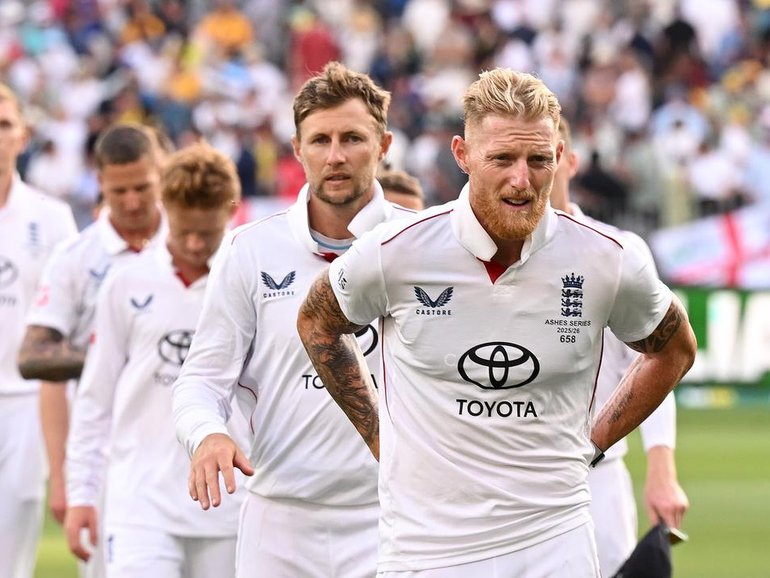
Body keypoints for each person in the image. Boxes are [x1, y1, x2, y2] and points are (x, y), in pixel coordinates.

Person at [297, 68, 697, 577]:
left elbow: (675, 349)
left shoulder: (606, 258)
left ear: (559, 156)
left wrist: (593, 442)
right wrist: (379, 434)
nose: (521, 180)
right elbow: (316, 322)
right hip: (428, 548)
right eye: (502, 158)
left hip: (556, 539)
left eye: (538, 160)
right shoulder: (396, 250)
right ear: (462, 155)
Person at [171, 61, 415, 578]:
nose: (335, 156)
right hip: (279, 520)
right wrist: (207, 434)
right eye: (320, 140)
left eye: (352, 138)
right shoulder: (249, 249)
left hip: (393, 517)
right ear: (297, 149)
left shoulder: (420, 245)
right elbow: (200, 380)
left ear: (384, 145)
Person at [64, 142, 246, 577]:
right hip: (140, 506)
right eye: (184, 231)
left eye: (208, 232)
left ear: (230, 212)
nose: (195, 243)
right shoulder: (126, 282)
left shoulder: (249, 280)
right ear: (165, 206)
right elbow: (95, 399)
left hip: (230, 507)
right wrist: (81, 494)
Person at [18, 123, 167, 578]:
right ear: (99, 182)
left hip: (179, 447)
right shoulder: (75, 258)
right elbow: (37, 361)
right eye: (119, 191)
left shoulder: (193, 246)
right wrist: (63, 477)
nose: (132, 202)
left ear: (161, 174)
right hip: (105, 458)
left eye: (142, 187)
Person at [551, 117, 689, 577]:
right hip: (510, 480)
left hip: (598, 478)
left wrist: (662, 469)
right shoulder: (489, 258)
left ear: (570, 161)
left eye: (546, 157)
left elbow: (658, 360)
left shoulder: (618, 250)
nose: (531, 174)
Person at [0, 83, 77, 578]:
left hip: (26, 400)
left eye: (4, 125)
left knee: (13, 545)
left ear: (23, 136)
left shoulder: (51, 218)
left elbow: (70, 322)